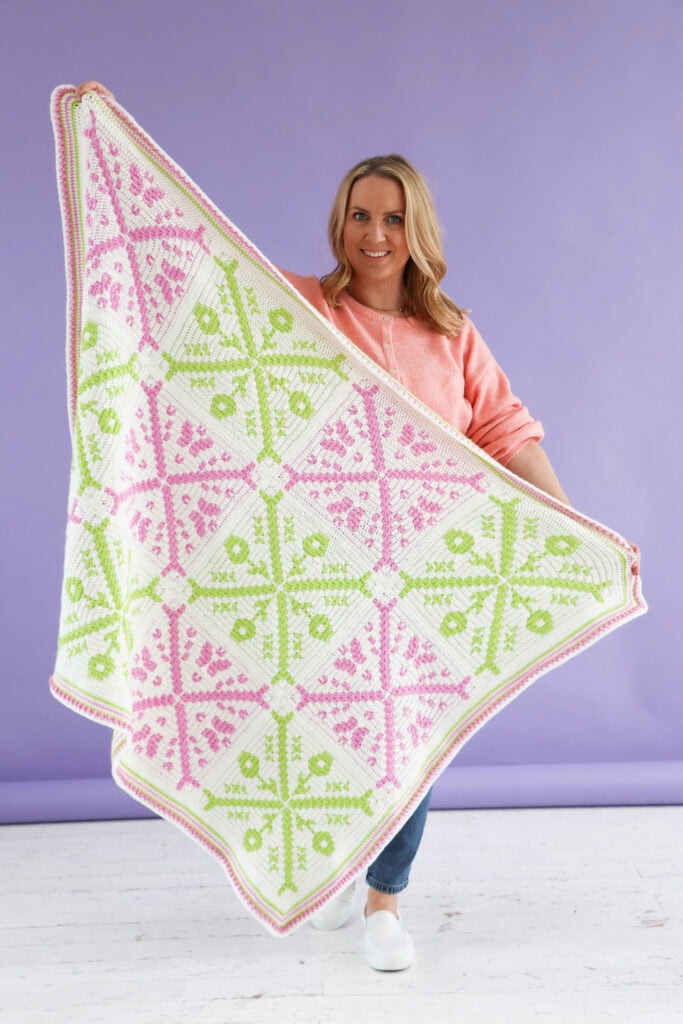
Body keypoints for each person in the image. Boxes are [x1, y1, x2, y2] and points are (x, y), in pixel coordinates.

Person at [73, 82, 638, 972]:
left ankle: (384, 901)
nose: (375, 234)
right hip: (321, 573)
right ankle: (333, 869)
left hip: (419, 574)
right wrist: (112, 152)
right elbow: (201, 296)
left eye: (393, 218)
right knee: (326, 733)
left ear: (419, 231)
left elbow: (505, 431)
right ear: (340, 223)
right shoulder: (301, 309)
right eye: (359, 215)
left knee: (408, 736)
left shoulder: (450, 332)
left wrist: (573, 527)